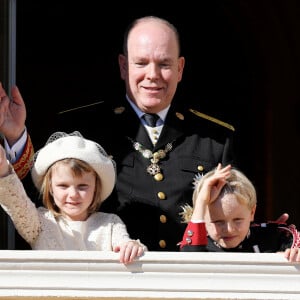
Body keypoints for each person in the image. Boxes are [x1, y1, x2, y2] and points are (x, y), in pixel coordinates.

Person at [0, 16, 290, 251]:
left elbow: (233, 220)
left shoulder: (215, 138)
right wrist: (16, 139)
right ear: (124, 67)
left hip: (190, 286)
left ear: (180, 69)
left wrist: (274, 241)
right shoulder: (82, 128)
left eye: (164, 64)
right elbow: (35, 210)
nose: (152, 74)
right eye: (141, 63)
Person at [0, 131, 146, 264]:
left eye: (82, 186)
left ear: (96, 187)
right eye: (63, 186)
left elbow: (125, 244)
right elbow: (16, 203)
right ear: (50, 187)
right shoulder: (39, 222)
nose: (73, 194)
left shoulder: (111, 224)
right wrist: (3, 169)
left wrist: (131, 247)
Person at [179, 164, 300, 262]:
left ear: (252, 212)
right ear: (202, 218)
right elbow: (189, 261)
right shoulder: (200, 246)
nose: (229, 229)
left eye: (237, 220)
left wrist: (294, 255)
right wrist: (201, 202)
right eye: (218, 221)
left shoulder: (274, 238)